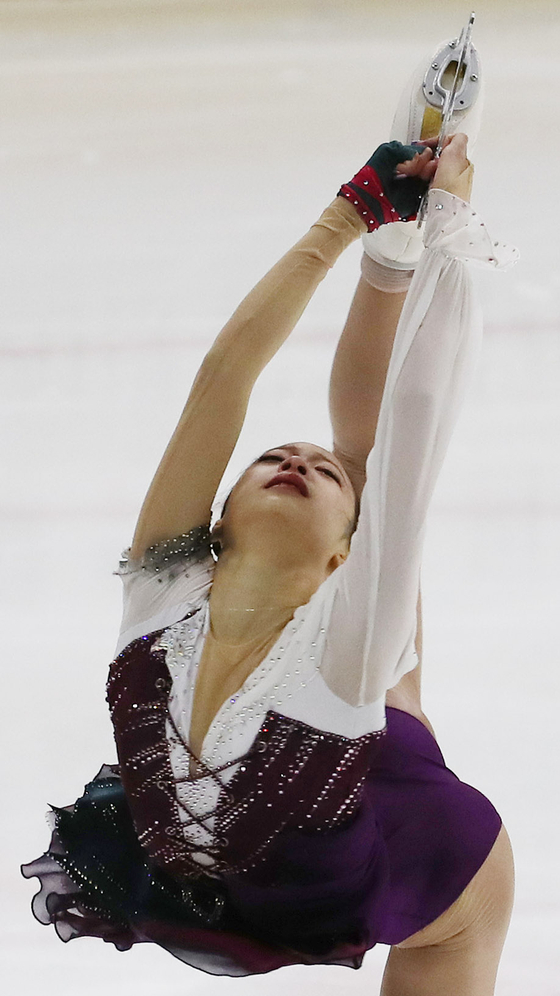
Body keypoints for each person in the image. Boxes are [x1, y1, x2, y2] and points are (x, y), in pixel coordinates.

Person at [22, 43, 519, 996]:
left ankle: (397, 253)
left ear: (346, 551)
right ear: (220, 518)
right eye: (271, 460)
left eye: (320, 474)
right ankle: (392, 243)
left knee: (413, 743)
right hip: (232, 847)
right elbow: (227, 376)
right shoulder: (164, 583)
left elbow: (405, 447)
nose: (293, 458)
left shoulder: (349, 641)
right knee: (386, 689)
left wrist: (442, 231)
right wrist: (347, 216)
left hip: (349, 855)